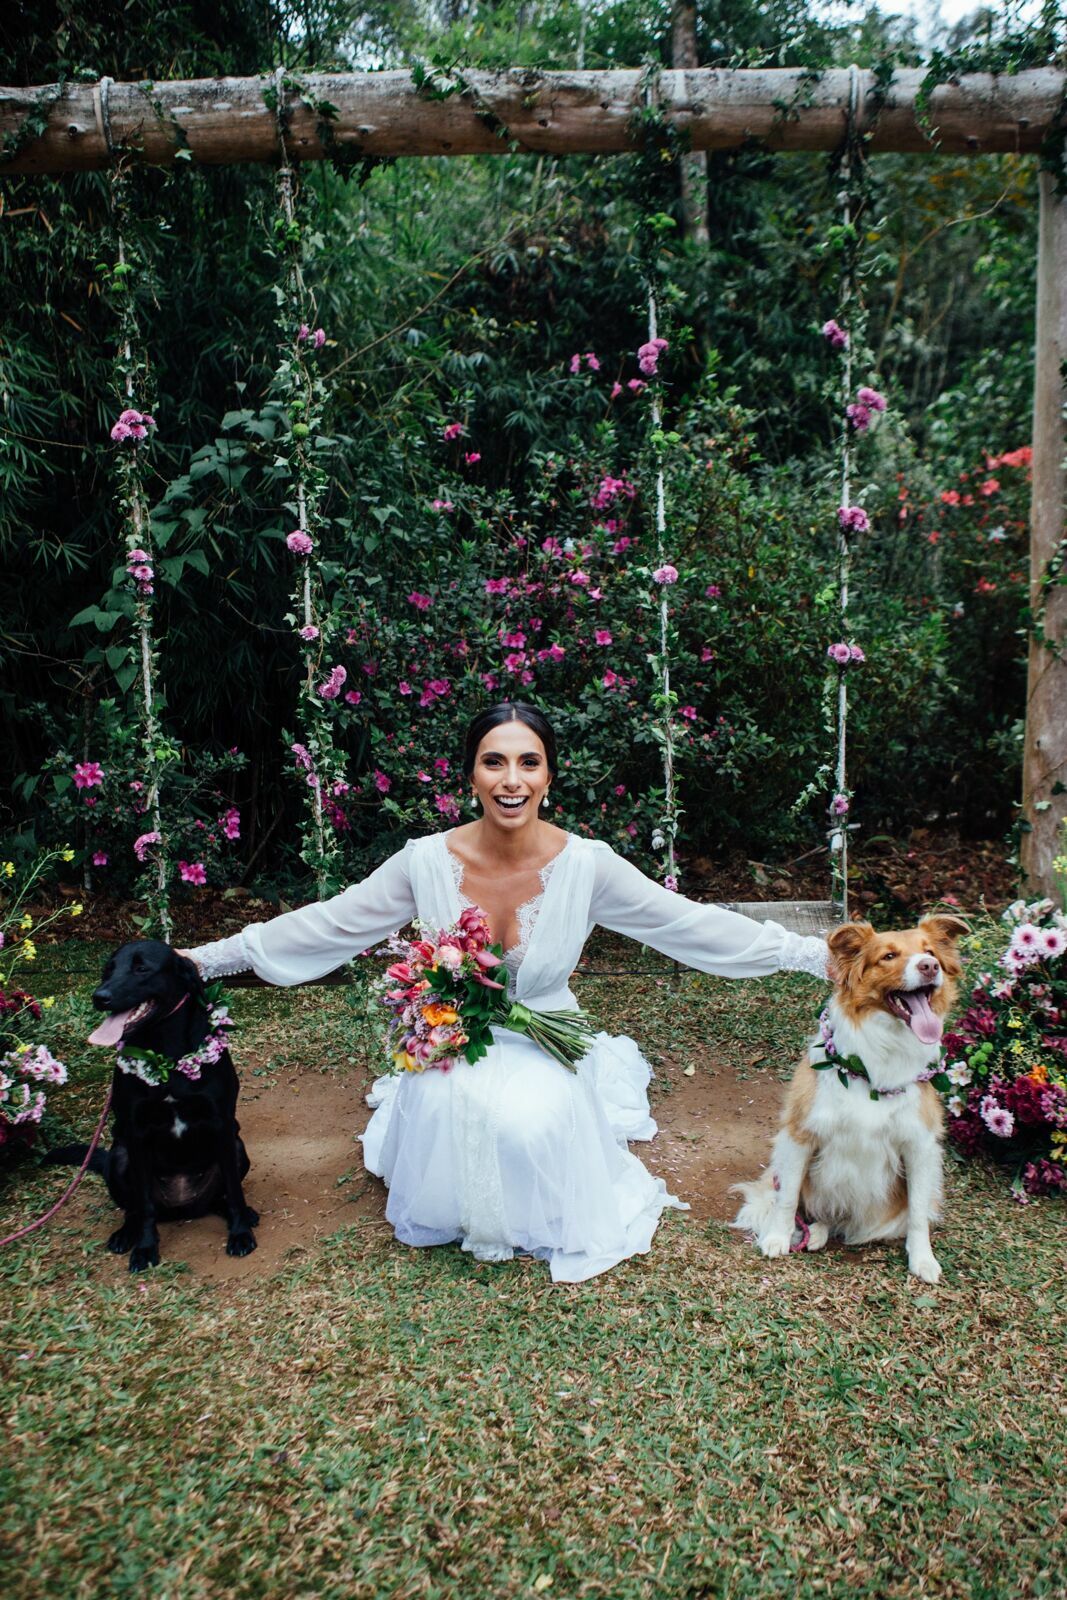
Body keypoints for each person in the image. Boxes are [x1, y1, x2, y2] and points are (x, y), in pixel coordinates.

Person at [188, 702, 829, 1283]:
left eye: (529, 763)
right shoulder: (422, 861)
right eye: (494, 762)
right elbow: (332, 922)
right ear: (471, 776)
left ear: (550, 778)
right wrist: (203, 961)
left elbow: (686, 923)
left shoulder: (588, 865)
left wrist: (808, 953)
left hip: (546, 1034)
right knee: (444, 1114)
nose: (511, 780)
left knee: (527, 1127)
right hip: (455, 1032)